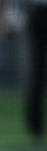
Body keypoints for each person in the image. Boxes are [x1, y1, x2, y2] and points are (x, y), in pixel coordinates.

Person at [24, 0, 47, 139]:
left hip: (37, 11)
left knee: (37, 73)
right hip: (38, 11)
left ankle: (35, 129)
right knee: (37, 73)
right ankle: (35, 128)